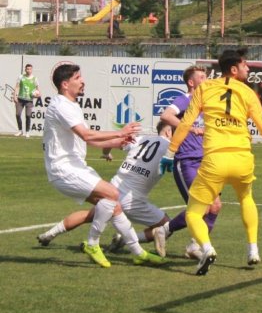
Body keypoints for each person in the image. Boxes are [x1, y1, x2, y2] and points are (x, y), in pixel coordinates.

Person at [166, 48, 262, 275]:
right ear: (233, 69)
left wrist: (170, 152)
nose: (248, 68)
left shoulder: (204, 88)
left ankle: (206, 249)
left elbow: (185, 124)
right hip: (243, 158)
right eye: (245, 65)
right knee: (246, 198)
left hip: (215, 159)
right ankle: (253, 249)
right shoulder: (248, 93)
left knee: (194, 213)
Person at [41, 63, 165, 268]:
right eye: (78, 78)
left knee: (113, 206)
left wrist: (116, 142)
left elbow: (89, 141)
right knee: (113, 194)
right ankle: (92, 243)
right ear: (65, 84)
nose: (83, 81)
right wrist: (120, 132)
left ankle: (138, 253)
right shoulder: (61, 105)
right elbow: (87, 135)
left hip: (75, 168)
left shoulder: (70, 105)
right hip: (63, 169)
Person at [37, 121, 175, 257]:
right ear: (168, 132)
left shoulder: (141, 139)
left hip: (113, 188)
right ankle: (124, 240)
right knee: (167, 225)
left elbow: (114, 141)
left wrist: (106, 153)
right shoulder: (172, 148)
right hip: (133, 200)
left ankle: (48, 234)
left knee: (89, 215)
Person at [159, 65, 218, 260]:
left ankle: (191, 244)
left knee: (215, 206)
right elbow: (166, 115)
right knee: (202, 206)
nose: (206, 80)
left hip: (206, 162)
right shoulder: (185, 99)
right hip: (186, 161)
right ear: (191, 82)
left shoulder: (206, 103)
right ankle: (169, 233)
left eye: (206, 76)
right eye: (202, 77)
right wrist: (190, 128)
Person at [13, 63, 40, 137]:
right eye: (27, 69)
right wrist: (15, 96)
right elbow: (17, 87)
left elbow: (38, 91)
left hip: (29, 100)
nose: (28, 70)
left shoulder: (35, 78)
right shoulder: (21, 77)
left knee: (28, 115)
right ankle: (20, 130)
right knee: (17, 114)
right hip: (20, 99)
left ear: (32, 70)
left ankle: (27, 132)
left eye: (30, 69)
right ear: (25, 69)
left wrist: (37, 95)